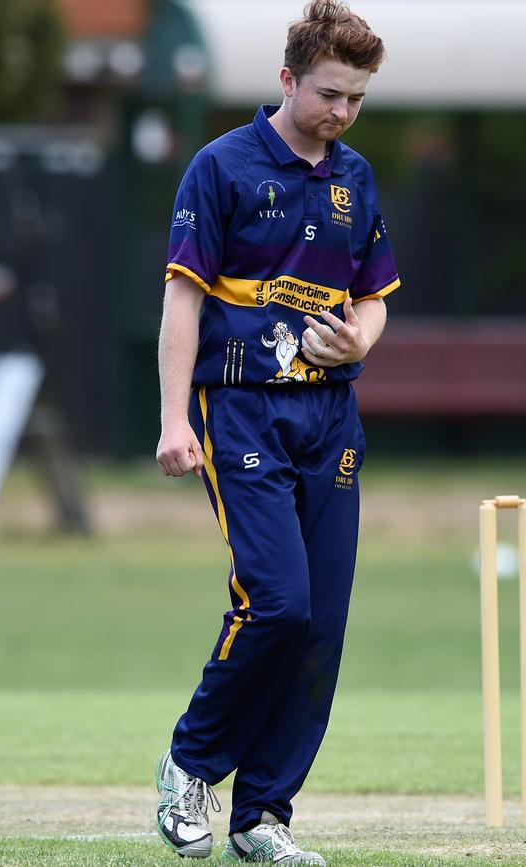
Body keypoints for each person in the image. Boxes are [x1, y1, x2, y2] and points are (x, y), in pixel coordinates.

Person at [154, 1, 399, 862]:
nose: (342, 112)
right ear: (288, 79)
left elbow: (370, 299)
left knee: (320, 624)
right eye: (331, 93)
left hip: (330, 417)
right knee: (278, 602)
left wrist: (357, 338)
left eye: (358, 99)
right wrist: (172, 419)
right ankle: (190, 762)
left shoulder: (354, 179)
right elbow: (182, 297)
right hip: (243, 408)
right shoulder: (221, 168)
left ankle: (263, 815)